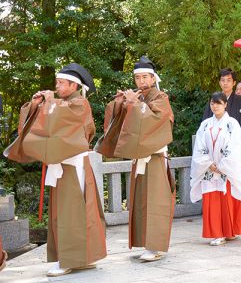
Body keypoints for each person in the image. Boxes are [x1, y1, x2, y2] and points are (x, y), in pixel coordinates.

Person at [3, 63, 106, 276]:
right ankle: (78, 258)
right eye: (57, 83)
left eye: (61, 83)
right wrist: (34, 105)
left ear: (73, 85)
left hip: (73, 166)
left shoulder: (80, 104)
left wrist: (50, 102)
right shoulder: (60, 103)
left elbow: (62, 117)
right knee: (63, 213)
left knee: (72, 213)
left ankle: (72, 259)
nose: (57, 86)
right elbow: (43, 121)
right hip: (61, 165)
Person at [95, 56, 175, 262]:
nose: (141, 82)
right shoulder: (139, 97)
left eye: (145, 77)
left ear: (154, 78)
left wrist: (135, 103)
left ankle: (155, 246)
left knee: (155, 202)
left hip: (155, 158)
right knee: (141, 201)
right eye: (138, 78)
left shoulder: (161, 97)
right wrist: (120, 104)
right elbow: (122, 120)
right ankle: (145, 242)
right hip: (140, 158)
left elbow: (155, 120)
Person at [190, 92, 241, 246]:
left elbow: (236, 147)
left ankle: (230, 231)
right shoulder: (206, 124)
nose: (215, 106)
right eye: (212, 103)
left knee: (228, 200)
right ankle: (217, 233)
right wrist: (208, 163)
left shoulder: (232, 123)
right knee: (213, 201)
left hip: (226, 170)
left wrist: (222, 165)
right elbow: (199, 147)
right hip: (209, 169)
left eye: (218, 103)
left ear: (225, 105)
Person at [203, 68, 241, 148]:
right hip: (215, 144)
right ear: (219, 83)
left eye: (229, 80)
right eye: (223, 80)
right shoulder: (213, 99)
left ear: (234, 83)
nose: (225, 83)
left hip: (236, 145)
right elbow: (206, 122)